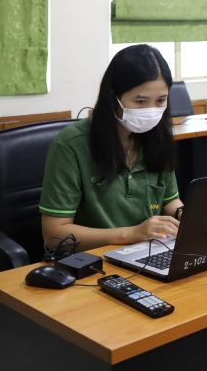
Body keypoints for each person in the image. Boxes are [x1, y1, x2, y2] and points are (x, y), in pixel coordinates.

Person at [40, 44, 183, 251]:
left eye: (161, 100)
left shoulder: (157, 137)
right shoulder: (71, 145)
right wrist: (131, 234)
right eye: (140, 101)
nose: (151, 111)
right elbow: (54, 234)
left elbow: (170, 203)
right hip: (94, 259)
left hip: (149, 250)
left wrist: (188, 217)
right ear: (113, 98)